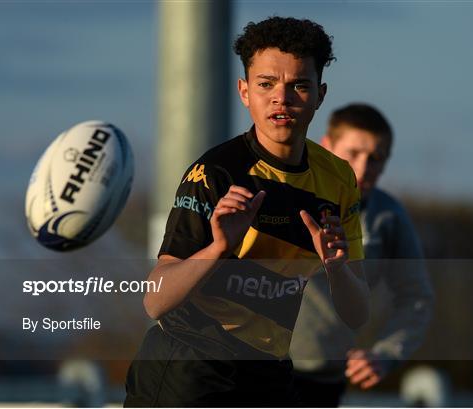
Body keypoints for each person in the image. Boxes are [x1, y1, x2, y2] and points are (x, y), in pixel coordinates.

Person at [124, 18, 370, 407]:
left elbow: (357, 314)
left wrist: (337, 268)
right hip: (190, 367)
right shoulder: (216, 172)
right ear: (244, 91)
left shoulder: (338, 179)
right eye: (266, 84)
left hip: (268, 373)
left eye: (299, 86)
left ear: (320, 95)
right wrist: (218, 248)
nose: (281, 99)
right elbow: (154, 301)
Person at [290, 103, 435, 407]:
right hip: (255, 371)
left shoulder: (389, 218)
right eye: (353, 153)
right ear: (326, 147)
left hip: (325, 380)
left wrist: (386, 354)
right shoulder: (280, 195)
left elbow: (416, 299)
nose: (362, 168)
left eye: (375, 158)